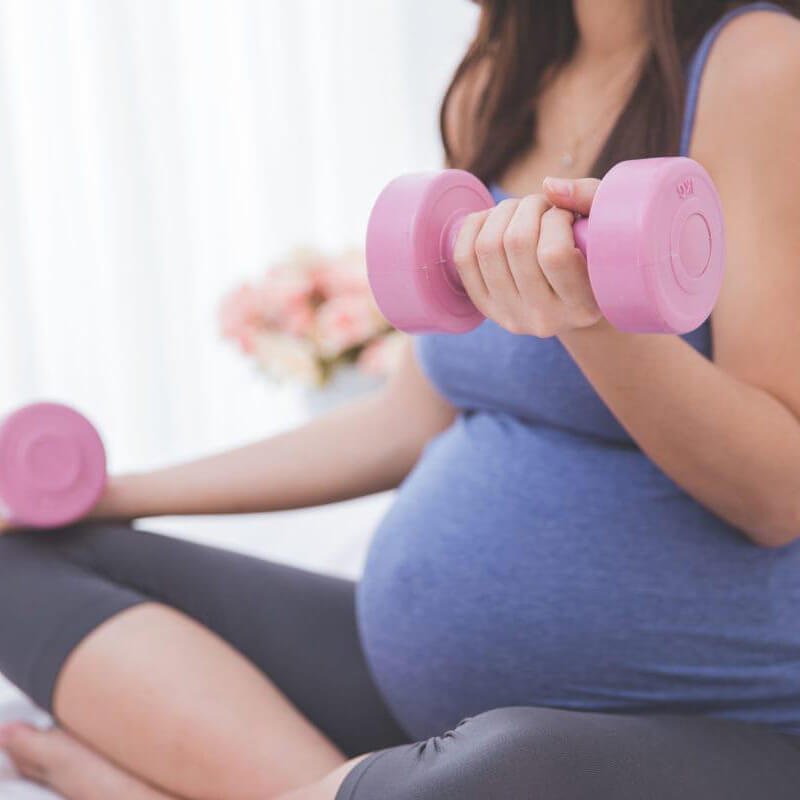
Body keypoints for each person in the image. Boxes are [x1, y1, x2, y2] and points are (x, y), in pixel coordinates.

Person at [2, 1, 800, 798]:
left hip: (717, 727)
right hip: (435, 704)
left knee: (501, 762)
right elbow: (407, 420)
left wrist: (585, 321)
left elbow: (777, 495)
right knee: (21, 560)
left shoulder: (759, 63)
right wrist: (111, 497)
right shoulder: (498, 81)